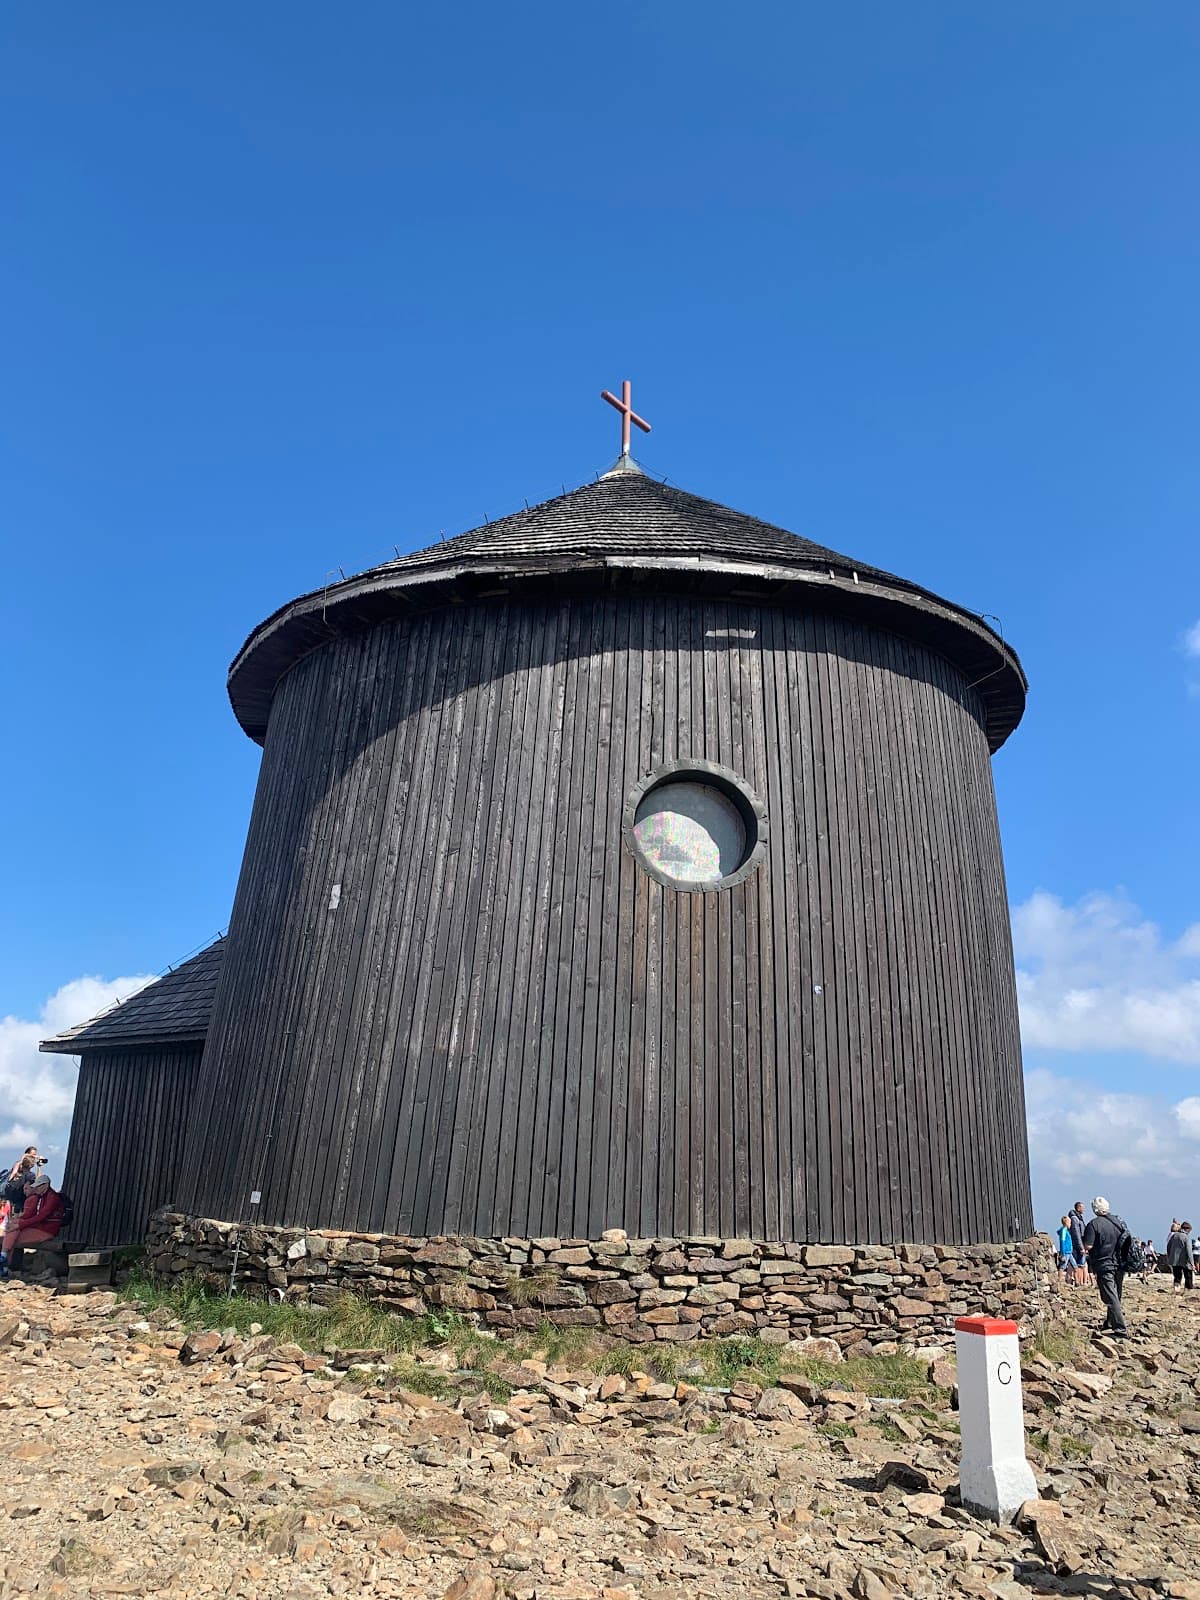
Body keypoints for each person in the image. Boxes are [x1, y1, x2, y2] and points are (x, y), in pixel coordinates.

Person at [0, 1174, 65, 1278]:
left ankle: (4, 1263)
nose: (36, 1188)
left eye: (38, 1186)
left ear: (45, 1185)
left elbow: (41, 1216)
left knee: (13, 1236)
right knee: (13, 1234)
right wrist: (18, 1224)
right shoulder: (44, 1197)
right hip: (41, 1228)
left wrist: (19, 1225)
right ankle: (4, 1262)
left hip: (47, 1231)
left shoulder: (52, 1198)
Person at [1082, 1196, 1129, 1337]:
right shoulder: (1119, 1221)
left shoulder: (1094, 1224)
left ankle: (1120, 1329)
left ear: (1095, 1209)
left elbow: (1088, 1246)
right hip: (1120, 1263)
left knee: (1110, 1296)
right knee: (1116, 1294)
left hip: (1104, 1264)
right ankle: (1109, 1322)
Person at [1166, 1221, 1193, 1290]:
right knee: (1188, 1276)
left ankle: (1176, 1289)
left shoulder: (1174, 1235)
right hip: (1185, 1261)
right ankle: (1188, 1289)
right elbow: (1189, 1250)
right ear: (1187, 1229)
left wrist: (1170, 1256)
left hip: (1174, 1260)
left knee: (1177, 1276)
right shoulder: (1186, 1237)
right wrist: (1192, 1263)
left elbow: (1168, 1246)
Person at [1069, 1201, 1089, 1287]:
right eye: (1082, 1207)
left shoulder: (1078, 1217)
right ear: (1078, 1208)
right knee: (1080, 1265)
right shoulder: (1075, 1218)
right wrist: (1081, 1247)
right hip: (1077, 1245)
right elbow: (1076, 1233)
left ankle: (1080, 1282)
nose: (1084, 1209)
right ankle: (1079, 1282)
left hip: (1080, 1243)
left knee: (1081, 1265)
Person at [1056, 1215, 1075, 1290]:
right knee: (1062, 1267)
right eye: (1070, 1223)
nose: (1070, 1224)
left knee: (1075, 1266)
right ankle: (1059, 1281)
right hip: (1066, 1252)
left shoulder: (1066, 1231)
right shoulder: (1064, 1231)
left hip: (1069, 1251)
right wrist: (1062, 1253)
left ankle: (1075, 1281)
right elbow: (1062, 1242)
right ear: (1066, 1223)